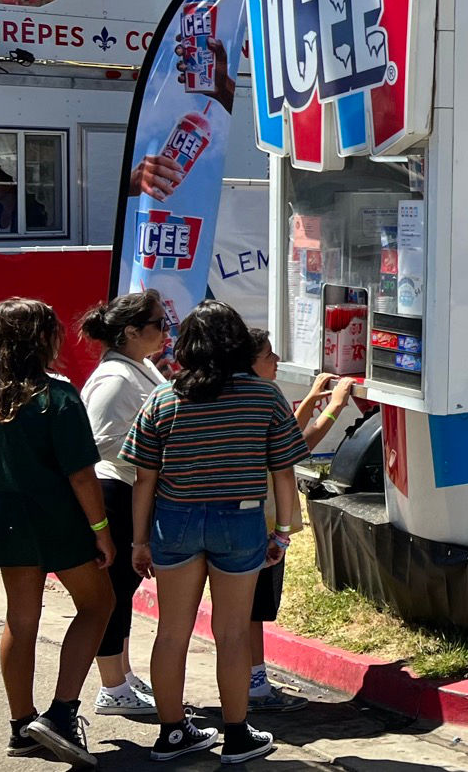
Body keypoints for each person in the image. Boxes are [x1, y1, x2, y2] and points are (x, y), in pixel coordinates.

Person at [123, 301, 311, 764]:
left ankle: (171, 734)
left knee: (172, 632)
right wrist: (282, 532)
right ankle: (236, 736)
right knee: (231, 635)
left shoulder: (164, 398)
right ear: (237, 344)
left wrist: (140, 540)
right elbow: (283, 472)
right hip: (241, 519)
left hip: (175, 519)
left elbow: (144, 477)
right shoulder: (264, 397)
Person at [0, 298, 116, 767]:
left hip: (6, 520)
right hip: (58, 519)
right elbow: (82, 476)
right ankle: (62, 713)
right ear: (42, 340)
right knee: (99, 604)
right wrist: (102, 530)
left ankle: (20, 726)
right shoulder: (57, 398)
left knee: (21, 618)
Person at [242, 328, 354, 712]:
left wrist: (309, 400)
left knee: (244, 608)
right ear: (249, 363)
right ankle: (254, 684)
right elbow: (294, 447)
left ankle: (250, 680)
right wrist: (335, 406)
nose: (275, 360)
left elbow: (283, 431)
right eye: (268, 355)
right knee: (252, 609)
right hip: (262, 522)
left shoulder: (241, 397)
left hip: (242, 519)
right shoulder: (261, 398)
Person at [78, 291, 169, 719]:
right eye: (158, 325)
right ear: (131, 332)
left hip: (133, 491)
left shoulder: (140, 366)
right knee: (112, 593)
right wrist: (155, 452)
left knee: (124, 590)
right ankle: (112, 686)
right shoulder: (115, 379)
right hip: (115, 492)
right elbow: (97, 444)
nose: (166, 331)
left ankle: (122, 675)